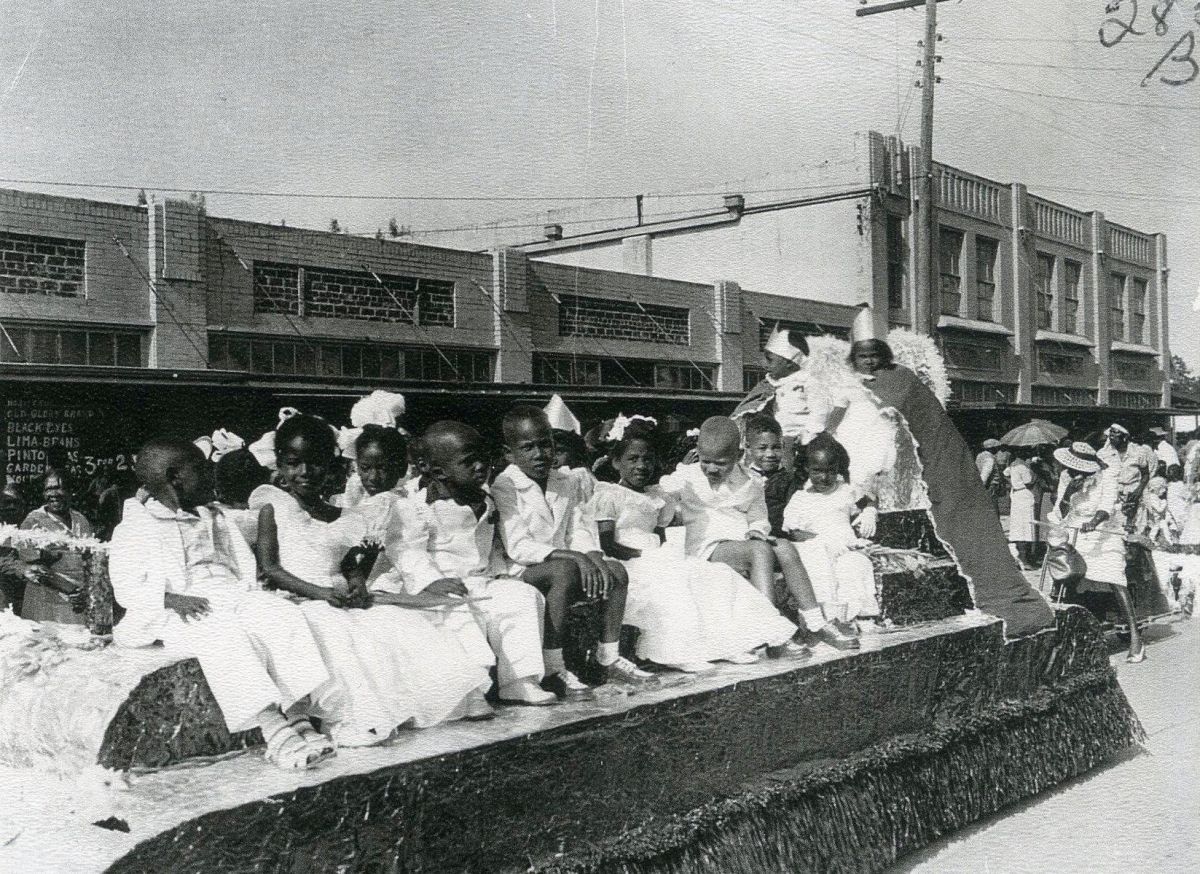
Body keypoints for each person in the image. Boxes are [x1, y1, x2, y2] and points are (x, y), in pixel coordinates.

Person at [250, 414, 495, 746]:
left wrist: (355, 583)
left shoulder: (343, 516)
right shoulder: (273, 507)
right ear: (280, 464)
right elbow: (270, 568)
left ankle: (414, 704)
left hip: (339, 596)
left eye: (316, 464)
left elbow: (349, 563)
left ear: (332, 464)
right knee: (337, 635)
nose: (305, 473)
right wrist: (321, 593)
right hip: (300, 597)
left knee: (390, 622)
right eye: (294, 464)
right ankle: (347, 717)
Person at [108, 438, 335, 770]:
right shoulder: (138, 525)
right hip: (183, 603)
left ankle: (299, 716)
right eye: (201, 469)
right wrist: (170, 598)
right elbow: (126, 587)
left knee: (281, 614)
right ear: (175, 478)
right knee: (222, 633)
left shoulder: (213, 515)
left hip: (233, 593)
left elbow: (249, 545)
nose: (211, 475)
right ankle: (275, 731)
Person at [850, 317, 1053, 639]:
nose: (869, 361)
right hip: (908, 470)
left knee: (964, 528)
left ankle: (1000, 600)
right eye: (862, 356)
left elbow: (878, 436)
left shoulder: (896, 379)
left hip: (937, 466)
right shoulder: (856, 385)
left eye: (875, 354)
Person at [590, 416, 800, 673]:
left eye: (647, 460)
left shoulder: (655, 495)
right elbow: (607, 543)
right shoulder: (608, 494)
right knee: (675, 584)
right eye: (633, 460)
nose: (641, 466)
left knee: (716, 575)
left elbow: (662, 525)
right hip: (630, 560)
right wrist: (649, 554)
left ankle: (728, 643)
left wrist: (665, 541)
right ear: (615, 462)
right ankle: (676, 651)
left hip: (656, 555)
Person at [381, 421, 557, 706]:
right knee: (457, 614)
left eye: (482, 459)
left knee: (522, 598)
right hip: (440, 584)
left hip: (481, 580)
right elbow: (407, 550)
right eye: (469, 462)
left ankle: (520, 680)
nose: (480, 467)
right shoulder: (415, 506)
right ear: (438, 471)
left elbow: (494, 547)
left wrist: (502, 574)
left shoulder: (486, 500)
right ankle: (470, 690)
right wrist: (431, 581)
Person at [491, 406, 655, 700]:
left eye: (545, 445)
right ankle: (554, 668)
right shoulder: (506, 485)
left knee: (615, 571)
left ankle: (608, 657)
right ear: (508, 453)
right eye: (528, 448)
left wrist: (592, 554)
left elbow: (578, 527)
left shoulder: (564, 481)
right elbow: (518, 546)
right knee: (565, 572)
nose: (540, 454)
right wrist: (575, 558)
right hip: (519, 568)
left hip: (559, 561)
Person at [658, 416, 859, 652]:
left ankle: (815, 622)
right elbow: (659, 500)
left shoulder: (749, 482)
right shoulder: (687, 478)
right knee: (759, 550)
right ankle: (771, 630)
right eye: (706, 461)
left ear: (738, 454)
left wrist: (757, 530)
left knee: (782, 545)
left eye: (721, 463)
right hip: (707, 546)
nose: (712, 468)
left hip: (743, 542)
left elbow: (758, 517)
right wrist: (664, 503)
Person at [1046, 442, 1144, 662]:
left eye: (1076, 468)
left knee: (1115, 578)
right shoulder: (1066, 477)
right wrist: (1069, 492)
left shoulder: (1106, 477)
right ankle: (1071, 637)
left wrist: (1094, 521)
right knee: (1067, 577)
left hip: (1103, 533)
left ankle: (1136, 638)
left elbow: (1106, 507)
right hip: (1075, 530)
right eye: (1069, 467)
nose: (1071, 471)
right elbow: (1060, 514)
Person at [781, 434, 880, 626]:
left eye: (830, 471)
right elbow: (793, 532)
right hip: (816, 550)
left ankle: (858, 616)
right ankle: (827, 616)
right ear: (807, 469)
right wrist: (825, 542)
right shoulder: (801, 499)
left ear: (838, 470)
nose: (824, 477)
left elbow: (867, 501)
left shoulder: (845, 491)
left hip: (845, 549)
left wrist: (869, 511)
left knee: (856, 564)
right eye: (817, 471)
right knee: (821, 566)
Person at [733, 326, 849, 479]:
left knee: (790, 468)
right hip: (779, 435)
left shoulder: (807, 381)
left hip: (800, 436)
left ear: (789, 362)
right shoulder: (772, 384)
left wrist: (809, 434)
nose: (766, 364)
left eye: (770, 360)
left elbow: (821, 409)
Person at [18, 471, 92, 624]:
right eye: (48, 489)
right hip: (45, 606)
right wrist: (72, 590)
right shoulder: (33, 521)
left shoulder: (81, 520)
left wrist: (86, 592)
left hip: (77, 603)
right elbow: (34, 568)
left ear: (71, 491)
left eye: (59, 488)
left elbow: (89, 560)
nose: (54, 494)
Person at [1099, 424, 1153, 528]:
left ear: (1125, 437)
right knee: (1114, 526)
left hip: (1133, 494)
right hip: (1112, 494)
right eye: (1110, 433)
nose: (1111, 437)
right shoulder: (1103, 453)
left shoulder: (1138, 452)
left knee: (1133, 526)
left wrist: (1139, 490)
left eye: (1115, 433)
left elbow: (1146, 474)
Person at [1005, 449, 1038, 569]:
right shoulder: (1023, 466)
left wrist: (1014, 483)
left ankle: (1021, 557)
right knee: (1026, 526)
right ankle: (1025, 559)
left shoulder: (1013, 464)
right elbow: (1029, 482)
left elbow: (1006, 473)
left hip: (1016, 494)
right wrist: (1035, 472)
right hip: (1024, 495)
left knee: (1018, 526)